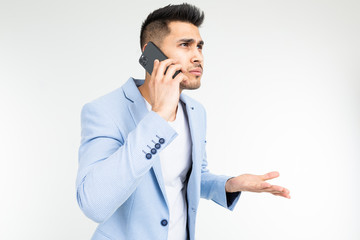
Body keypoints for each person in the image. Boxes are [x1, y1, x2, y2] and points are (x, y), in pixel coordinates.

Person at [76, 3, 290, 240]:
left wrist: (229, 184)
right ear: (150, 54)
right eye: (185, 45)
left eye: (199, 46)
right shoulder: (105, 111)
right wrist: (158, 117)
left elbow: (189, 177)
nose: (197, 56)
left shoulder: (195, 111)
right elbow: (93, 203)